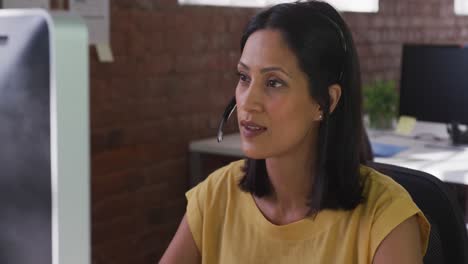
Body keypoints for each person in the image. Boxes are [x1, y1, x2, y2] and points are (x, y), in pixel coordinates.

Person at [160, 1, 430, 263]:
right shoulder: (216, 195)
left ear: (325, 102)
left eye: (274, 82)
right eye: (244, 77)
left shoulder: (385, 215)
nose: (247, 101)